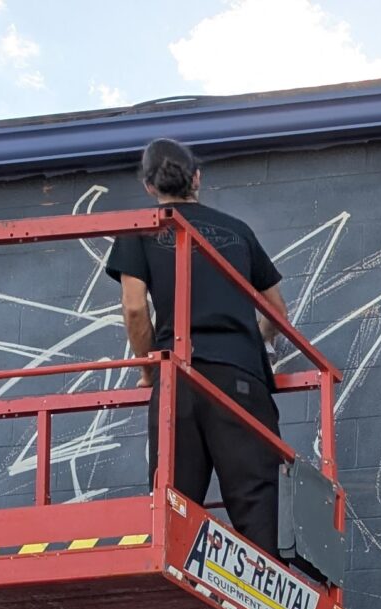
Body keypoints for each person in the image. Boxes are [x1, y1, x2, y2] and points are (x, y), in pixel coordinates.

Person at [105, 137, 289, 550]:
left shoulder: (140, 229)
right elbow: (277, 311)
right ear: (198, 178)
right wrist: (252, 343)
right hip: (241, 381)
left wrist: (148, 370)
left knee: (175, 509)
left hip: (178, 380)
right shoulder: (237, 231)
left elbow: (134, 309)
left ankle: (180, 585)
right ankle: (264, 589)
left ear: (149, 187)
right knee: (258, 508)